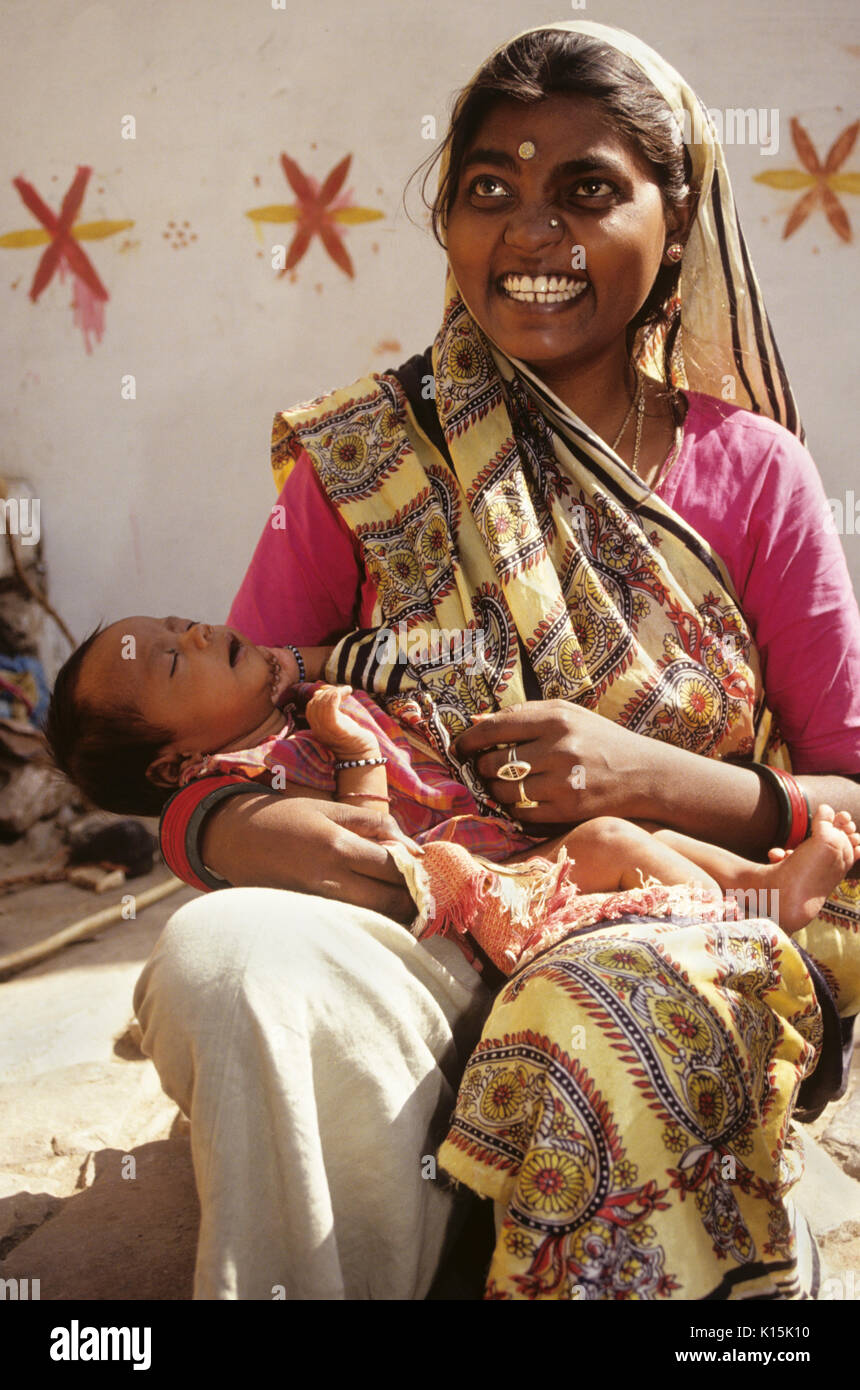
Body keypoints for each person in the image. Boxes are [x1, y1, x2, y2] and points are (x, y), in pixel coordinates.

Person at [130, 20, 860, 1299]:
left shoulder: (753, 474)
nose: (530, 232)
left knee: (614, 1015)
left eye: (587, 189)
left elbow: (852, 799)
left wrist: (648, 779)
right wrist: (248, 834)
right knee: (226, 962)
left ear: (676, 221)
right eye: (489, 191)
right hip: (421, 922)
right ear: (450, 222)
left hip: (669, 920)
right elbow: (216, 746)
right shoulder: (360, 461)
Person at [46, 615, 860, 972]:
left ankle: (757, 888)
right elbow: (378, 873)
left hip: (509, 858)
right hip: (472, 914)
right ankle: (749, 929)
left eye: (173, 621)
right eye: (168, 661)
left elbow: (385, 657)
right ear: (170, 766)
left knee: (633, 831)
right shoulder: (226, 796)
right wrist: (360, 756)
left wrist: (301, 664)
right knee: (615, 845)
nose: (190, 631)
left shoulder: (298, 703)